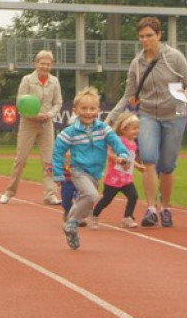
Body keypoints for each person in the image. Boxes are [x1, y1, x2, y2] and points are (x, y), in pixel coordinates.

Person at [106, 16, 187, 228]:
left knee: (167, 166)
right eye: (142, 37)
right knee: (148, 159)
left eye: (150, 36)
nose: (146, 40)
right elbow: (128, 96)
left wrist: (183, 96)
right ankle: (151, 209)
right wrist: (110, 117)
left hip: (174, 115)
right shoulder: (136, 64)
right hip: (147, 115)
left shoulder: (174, 58)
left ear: (159, 35)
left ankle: (166, 207)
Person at [53, 87, 131, 250]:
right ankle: (72, 223)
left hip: (96, 173)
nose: (88, 112)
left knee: (88, 203)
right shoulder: (71, 132)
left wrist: (122, 154)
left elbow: (116, 142)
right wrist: (58, 173)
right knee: (91, 195)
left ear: (98, 110)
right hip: (79, 170)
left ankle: (69, 224)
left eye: (92, 108)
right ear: (75, 111)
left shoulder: (103, 129)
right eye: (84, 108)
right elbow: (58, 150)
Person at [0, 50, 63, 205]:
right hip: (28, 123)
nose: (45, 67)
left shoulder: (54, 81)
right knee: (21, 159)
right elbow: (20, 102)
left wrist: (50, 114)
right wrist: (33, 115)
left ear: (51, 65)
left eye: (48, 64)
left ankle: (50, 193)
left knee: (49, 161)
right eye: (42, 63)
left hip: (47, 124)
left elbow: (58, 102)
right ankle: (9, 191)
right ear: (36, 64)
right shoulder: (27, 80)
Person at [90, 112, 144, 229]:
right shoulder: (119, 140)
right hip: (114, 179)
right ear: (124, 129)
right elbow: (109, 152)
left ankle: (127, 217)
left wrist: (137, 166)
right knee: (106, 200)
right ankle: (94, 215)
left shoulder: (134, 144)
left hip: (126, 179)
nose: (137, 131)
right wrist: (118, 159)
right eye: (134, 128)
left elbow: (130, 158)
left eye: (138, 128)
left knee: (133, 196)